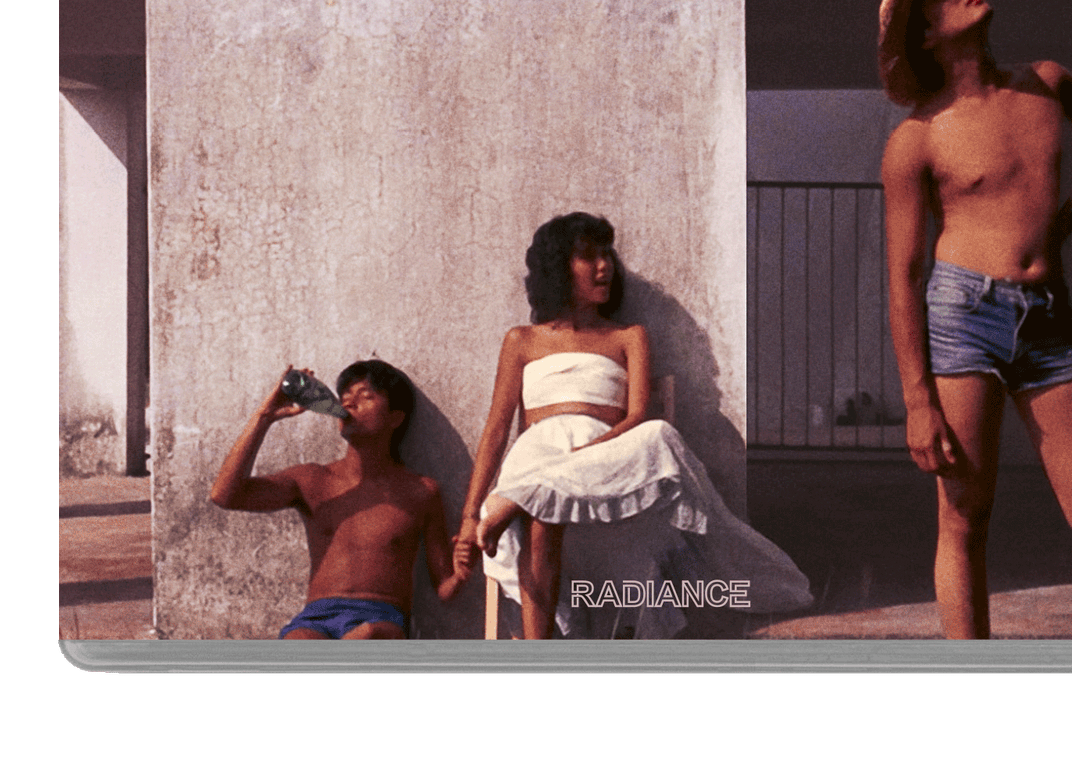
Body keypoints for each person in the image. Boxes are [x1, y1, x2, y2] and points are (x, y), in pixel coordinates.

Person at [877, 0, 1072, 640]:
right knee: (965, 515)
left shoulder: (1047, 84)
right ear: (926, 35)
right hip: (963, 315)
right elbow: (903, 276)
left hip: (1047, 319)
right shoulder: (916, 139)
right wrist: (917, 402)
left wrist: (1067, 219)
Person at [452, 212, 811, 639]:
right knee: (542, 513)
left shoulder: (628, 336)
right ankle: (538, 654)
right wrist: (469, 515)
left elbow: (638, 415)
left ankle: (516, 500)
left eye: (607, 254)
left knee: (659, 435)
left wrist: (589, 454)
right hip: (538, 456)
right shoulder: (522, 340)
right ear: (558, 266)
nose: (604, 265)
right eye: (588, 256)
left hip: (608, 460)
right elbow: (496, 430)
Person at [210, 358, 467, 638]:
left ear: (396, 417)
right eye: (345, 396)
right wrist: (265, 416)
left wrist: (461, 573)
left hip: (381, 618)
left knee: (368, 636)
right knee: (297, 643)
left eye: (366, 396)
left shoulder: (421, 492)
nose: (349, 403)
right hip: (316, 617)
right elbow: (225, 495)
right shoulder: (312, 480)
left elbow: (444, 588)